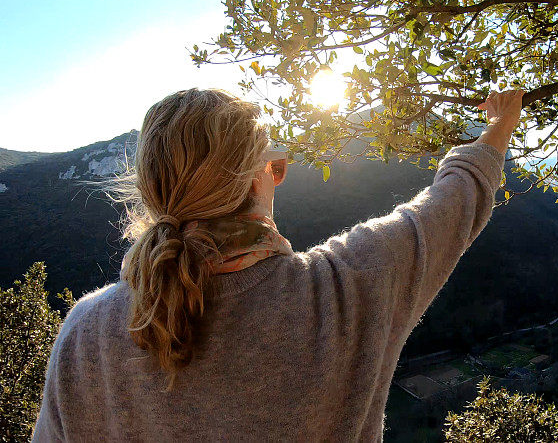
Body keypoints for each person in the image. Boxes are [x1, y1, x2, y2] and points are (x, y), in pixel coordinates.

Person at [32, 87, 525, 441]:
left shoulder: (85, 335)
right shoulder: (346, 293)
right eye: (276, 167)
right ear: (257, 180)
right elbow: (451, 204)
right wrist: (501, 125)